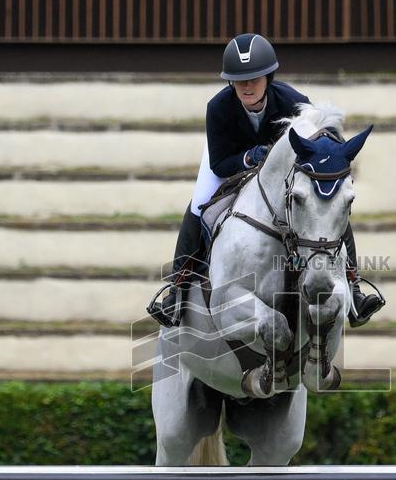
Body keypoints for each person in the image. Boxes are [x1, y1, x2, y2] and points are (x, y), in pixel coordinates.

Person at [147, 33, 384, 329]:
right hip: (230, 164)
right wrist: (250, 157)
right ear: (230, 81)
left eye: (254, 78)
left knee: (326, 206)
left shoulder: (294, 102)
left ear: (268, 77)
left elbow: (321, 145)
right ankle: (176, 293)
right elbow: (220, 162)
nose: (247, 86)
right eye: (239, 80)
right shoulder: (217, 108)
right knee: (197, 208)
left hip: (280, 174)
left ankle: (355, 289)